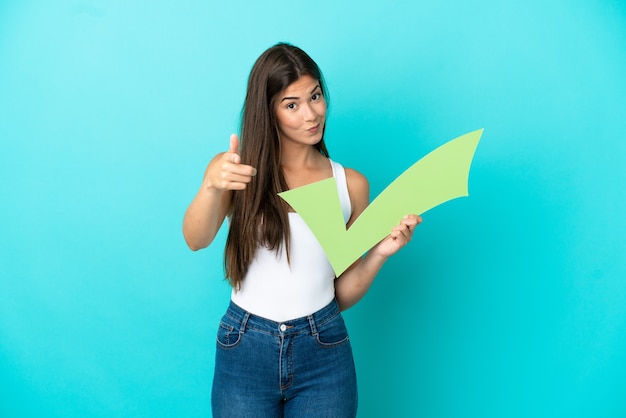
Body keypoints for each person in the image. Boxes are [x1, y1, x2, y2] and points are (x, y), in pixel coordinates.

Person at [182, 43, 421, 418]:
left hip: (323, 347)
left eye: (315, 96)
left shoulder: (351, 185)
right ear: (269, 111)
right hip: (245, 346)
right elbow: (196, 240)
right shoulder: (236, 170)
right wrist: (212, 185)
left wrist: (379, 253)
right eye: (292, 104)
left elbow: (338, 293)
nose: (311, 114)